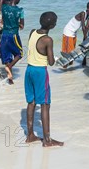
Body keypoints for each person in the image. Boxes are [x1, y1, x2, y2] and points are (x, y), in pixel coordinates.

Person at [24, 11, 63, 147]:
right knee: (45, 104)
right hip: (40, 72)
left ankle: (30, 135)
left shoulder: (32, 32)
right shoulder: (48, 40)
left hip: (29, 70)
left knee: (31, 102)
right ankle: (47, 140)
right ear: (52, 25)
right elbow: (51, 62)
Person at [0, 0, 24, 84]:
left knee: (7, 56)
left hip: (4, 35)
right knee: (19, 54)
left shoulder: (4, 7)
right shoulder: (20, 10)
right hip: (14, 35)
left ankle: (10, 78)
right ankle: (9, 67)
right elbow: (22, 26)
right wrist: (17, 23)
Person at [61, 2, 89, 68]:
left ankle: (69, 71)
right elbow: (83, 27)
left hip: (73, 33)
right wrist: (84, 37)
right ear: (88, 8)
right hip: (68, 33)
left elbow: (87, 27)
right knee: (68, 53)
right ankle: (64, 68)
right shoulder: (83, 13)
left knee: (72, 53)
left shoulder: (88, 15)